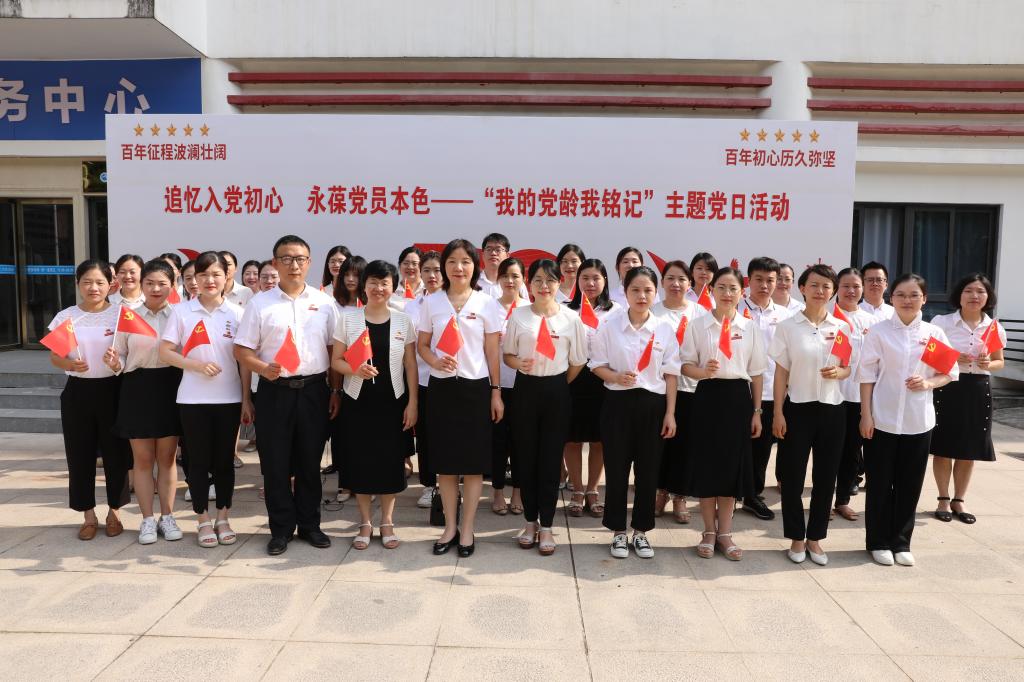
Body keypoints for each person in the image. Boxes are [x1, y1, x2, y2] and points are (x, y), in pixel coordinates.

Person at [234, 235, 340, 556]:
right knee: (275, 463)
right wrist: (262, 369)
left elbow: (334, 350)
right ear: (275, 263)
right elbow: (242, 350)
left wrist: (335, 390)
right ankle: (280, 529)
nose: (294, 265)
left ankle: (310, 525)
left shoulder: (324, 303)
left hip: (314, 391)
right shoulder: (260, 304)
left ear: (309, 263)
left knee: (310, 461)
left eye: (300, 259)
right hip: (274, 392)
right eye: (287, 259)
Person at [858, 273, 958, 567]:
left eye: (914, 295)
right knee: (879, 484)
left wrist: (928, 383)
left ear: (924, 299)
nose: (907, 300)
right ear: (892, 298)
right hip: (882, 419)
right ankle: (877, 542)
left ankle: (901, 542)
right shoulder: (878, 332)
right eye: (901, 294)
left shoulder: (933, 334)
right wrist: (866, 415)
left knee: (910, 484)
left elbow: (949, 373)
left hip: (918, 421)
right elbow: (866, 376)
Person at [417, 238, 505, 557]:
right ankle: (450, 527)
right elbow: (422, 345)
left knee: (472, 464)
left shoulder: (486, 303)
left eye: (465, 261)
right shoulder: (432, 302)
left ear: (474, 266)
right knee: (446, 464)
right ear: (444, 266)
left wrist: (496, 392)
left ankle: (467, 529)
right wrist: (434, 361)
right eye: (452, 261)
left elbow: (492, 352)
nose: (458, 267)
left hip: (475, 389)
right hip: (441, 389)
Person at [160, 251, 251, 547]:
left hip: (229, 399)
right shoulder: (182, 312)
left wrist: (246, 398)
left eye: (216, 274)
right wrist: (196, 365)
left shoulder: (238, 314)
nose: (210, 280)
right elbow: (165, 351)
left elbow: (245, 361)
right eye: (203, 275)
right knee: (197, 462)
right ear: (194, 280)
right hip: (192, 400)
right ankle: (202, 519)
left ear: (227, 277)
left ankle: (223, 517)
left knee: (224, 462)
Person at [589, 266, 679, 559]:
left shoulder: (664, 328)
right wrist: (615, 377)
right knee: (616, 469)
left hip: (653, 407)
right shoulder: (609, 326)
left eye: (648, 290)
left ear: (656, 292)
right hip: (617, 404)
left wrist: (670, 413)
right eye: (635, 290)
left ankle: (641, 531)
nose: (642, 296)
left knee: (648, 471)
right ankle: (618, 531)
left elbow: (671, 374)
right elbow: (596, 365)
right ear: (625, 292)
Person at [332, 260, 419, 550]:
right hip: (358, 402)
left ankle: (388, 521)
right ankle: (366, 522)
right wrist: (354, 370)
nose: (378, 288)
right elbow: (336, 361)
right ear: (364, 285)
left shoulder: (403, 321)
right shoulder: (349, 319)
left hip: (393, 402)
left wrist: (413, 403)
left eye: (384, 283)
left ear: (393, 286)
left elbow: (410, 364)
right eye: (373, 282)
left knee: (390, 462)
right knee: (361, 462)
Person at [682, 266, 767, 561]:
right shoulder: (698, 325)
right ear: (711, 290)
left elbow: (757, 373)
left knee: (731, 468)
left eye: (733, 288)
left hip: (738, 400)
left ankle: (725, 533)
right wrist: (702, 371)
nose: (727, 293)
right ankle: (708, 531)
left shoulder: (749, 327)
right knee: (708, 467)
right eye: (721, 287)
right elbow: (685, 365)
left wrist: (757, 412)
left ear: (741, 293)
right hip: (707, 397)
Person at [503, 259, 588, 555]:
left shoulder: (570, 318)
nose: (544, 286)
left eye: (550, 280)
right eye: (538, 280)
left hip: (556, 392)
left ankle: (548, 525)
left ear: (559, 283)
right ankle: (530, 521)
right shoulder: (519, 315)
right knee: (526, 457)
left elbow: (578, 361)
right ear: (529, 284)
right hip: (525, 390)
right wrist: (518, 363)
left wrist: (558, 383)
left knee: (551, 459)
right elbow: (507, 355)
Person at [769, 264, 849, 566]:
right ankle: (795, 537)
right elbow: (781, 373)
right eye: (814, 285)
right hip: (798, 408)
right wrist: (778, 412)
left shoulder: (841, 327)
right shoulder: (788, 326)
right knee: (792, 477)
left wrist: (839, 372)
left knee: (826, 477)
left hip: (832, 409)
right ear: (802, 288)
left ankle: (815, 538)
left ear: (833, 291)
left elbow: (847, 367)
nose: (820, 291)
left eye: (827, 286)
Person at [48, 260, 129, 540]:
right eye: (87, 282)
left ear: (110, 285)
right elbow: (55, 356)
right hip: (78, 393)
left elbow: (130, 353)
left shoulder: (121, 315)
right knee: (79, 455)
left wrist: (117, 363)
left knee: (116, 454)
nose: (93, 287)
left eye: (99, 282)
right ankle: (88, 515)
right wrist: (69, 364)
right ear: (78, 284)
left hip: (113, 391)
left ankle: (115, 512)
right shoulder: (67, 317)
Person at [104, 259, 184, 545]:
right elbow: (121, 355)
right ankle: (147, 519)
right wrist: (115, 362)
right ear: (142, 284)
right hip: (137, 388)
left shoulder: (180, 316)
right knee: (143, 459)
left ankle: (168, 516)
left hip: (171, 386)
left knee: (167, 457)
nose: (155, 288)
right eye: (149, 283)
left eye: (162, 283)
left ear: (173, 285)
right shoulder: (129, 317)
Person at [930, 273, 1005, 525]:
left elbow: (999, 361)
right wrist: (952, 357)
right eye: (969, 290)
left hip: (978, 390)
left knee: (969, 448)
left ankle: (959, 499)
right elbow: (929, 355)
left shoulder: (994, 327)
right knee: (943, 446)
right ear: (959, 295)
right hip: (948, 386)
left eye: (980, 291)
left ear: (988, 297)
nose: (974, 296)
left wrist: (988, 363)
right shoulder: (942, 322)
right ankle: (943, 499)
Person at [563, 258, 620, 518]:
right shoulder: (566, 310)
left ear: (605, 280)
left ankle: (593, 490)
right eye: (585, 278)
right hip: (573, 377)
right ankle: (577, 490)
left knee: (600, 439)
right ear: (577, 281)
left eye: (596, 278)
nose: (590, 283)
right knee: (572, 438)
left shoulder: (616, 311)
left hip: (604, 380)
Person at [651, 260, 707, 524]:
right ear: (662, 282)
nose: (676, 284)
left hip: (691, 388)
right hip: (658, 388)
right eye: (670, 278)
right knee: (659, 444)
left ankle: (680, 496)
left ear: (690, 283)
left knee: (686, 446)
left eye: (682, 279)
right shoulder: (653, 312)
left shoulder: (700, 313)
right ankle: (660, 492)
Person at [737, 256, 791, 521]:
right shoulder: (734, 310)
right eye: (758, 279)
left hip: (771, 391)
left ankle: (752, 495)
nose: (765, 285)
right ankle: (728, 494)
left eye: (770, 280)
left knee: (761, 448)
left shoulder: (786, 316)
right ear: (749, 281)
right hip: (738, 390)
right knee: (734, 445)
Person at [832, 268, 879, 521]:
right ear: (836, 289)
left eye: (856, 286)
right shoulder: (827, 317)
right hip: (830, 396)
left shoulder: (872, 322)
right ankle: (822, 500)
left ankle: (842, 501)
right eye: (845, 286)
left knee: (851, 451)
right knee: (828, 451)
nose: (851, 291)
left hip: (859, 397)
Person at [403, 251, 443, 509]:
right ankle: (429, 485)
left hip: (452, 380)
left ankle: (451, 483)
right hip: (423, 379)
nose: (431, 275)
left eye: (436, 270)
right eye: (426, 270)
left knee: (449, 434)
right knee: (426, 435)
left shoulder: (456, 303)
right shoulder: (412, 306)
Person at [491, 257, 530, 515]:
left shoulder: (530, 308)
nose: (510, 280)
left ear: (523, 279)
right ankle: (496, 491)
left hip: (524, 385)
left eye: (515, 276)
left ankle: (517, 490)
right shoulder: (489, 307)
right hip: (495, 384)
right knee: (497, 441)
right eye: (505, 275)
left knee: (521, 441)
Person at [325, 255, 367, 497]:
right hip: (343, 376)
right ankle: (346, 482)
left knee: (366, 435)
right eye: (346, 275)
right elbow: (333, 351)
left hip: (369, 378)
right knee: (344, 435)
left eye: (356, 275)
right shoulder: (333, 306)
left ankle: (367, 483)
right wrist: (335, 388)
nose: (351, 279)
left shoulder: (372, 305)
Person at [389, 246, 424, 311]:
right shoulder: (391, 291)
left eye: (414, 264)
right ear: (399, 266)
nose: (410, 267)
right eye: (406, 263)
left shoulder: (428, 290)